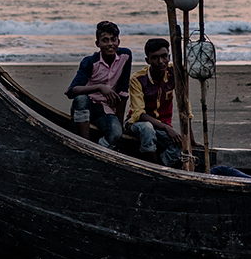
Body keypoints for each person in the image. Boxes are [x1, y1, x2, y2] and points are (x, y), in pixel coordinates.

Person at [124, 37, 186, 167]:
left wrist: (189, 138)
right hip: (137, 124)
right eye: (155, 58)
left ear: (169, 57)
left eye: (164, 56)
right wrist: (166, 127)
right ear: (148, 60)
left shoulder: (174, 73)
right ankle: (152, 167)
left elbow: (185, 106)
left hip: (163, 126)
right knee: (147, 128)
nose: (161, 61)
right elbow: (139, 114)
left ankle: (160, 165)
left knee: (181, 145)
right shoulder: (138, 79)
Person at [65, 21, 131, 141]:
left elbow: (123, 92)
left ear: (118, 42)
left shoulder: (125, 56)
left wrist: (120, 124)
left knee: (116, 134)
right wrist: (99, 87)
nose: (110, 44)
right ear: (97, 44)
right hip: (85, 107)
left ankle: (99, 150)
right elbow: (71, 91)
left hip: (105, 110)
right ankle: (84, 144)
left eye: (113, 40)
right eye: (105, 40)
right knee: (81, 99)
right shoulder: (90, 62)